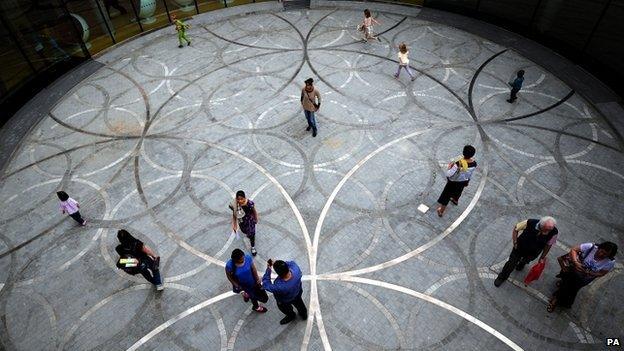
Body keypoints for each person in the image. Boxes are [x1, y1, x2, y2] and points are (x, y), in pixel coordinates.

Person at [548, 242, 617, 312]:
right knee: (570, 286)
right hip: (574, 269)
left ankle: (557, 297)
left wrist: (590, 273)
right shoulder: (591, 247)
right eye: (602, 251)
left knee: (571, 286)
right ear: (599, 248)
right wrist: (576, 262)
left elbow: (601, 273)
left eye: (605, 255)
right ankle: (557, 299)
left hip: (585, 278)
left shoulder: (610, 262)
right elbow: (574, 250)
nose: (601, 254)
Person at [494, 216, 558, 287]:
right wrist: (515, 242)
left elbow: (549, 245)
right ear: (541, 225)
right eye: (546, 229)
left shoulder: (554, 232)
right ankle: (502, 277)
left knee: (525, 261)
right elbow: (516, 228)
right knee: (510, 264)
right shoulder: (530, 222)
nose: (548, 232)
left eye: (549, 230)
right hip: (519, 249)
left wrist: (542, 257)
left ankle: (521, 264)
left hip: (532, 253)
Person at [263, 259, 307, 325]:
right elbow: (290, 263)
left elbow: (266, 284)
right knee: (300, 304)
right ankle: (304, 315)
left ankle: (291, 315)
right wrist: (279, 263)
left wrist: (268, 269)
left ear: (278, 273)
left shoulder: (279, 286)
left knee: (286, 309)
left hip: (285, 300)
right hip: (297, 293)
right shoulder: (295, 269)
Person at [436, 145, 477, 217]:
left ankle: (441, 211)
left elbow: (448, 174)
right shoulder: (474, 164)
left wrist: (449, 167)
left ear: (463, 152)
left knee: (446, 195)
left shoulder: (458, 163)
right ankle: (455, 200)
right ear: (472, 155)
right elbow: (470, 174)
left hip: (453, 182)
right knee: (459, 191)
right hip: (463, 181)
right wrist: (467, 181)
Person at [230, 190, 259, 256]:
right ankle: (248, 235)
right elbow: (234, 215)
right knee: (245, 232)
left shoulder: (249, 203)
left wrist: (256, 218)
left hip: (250, 222)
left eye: (241, 199)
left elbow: (254, 211)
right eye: (238, 199)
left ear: (244, 197)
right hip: (242, 223)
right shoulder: (235, 205)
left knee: (252, 235)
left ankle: (253, 247)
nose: (240, 201)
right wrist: (234, 225)